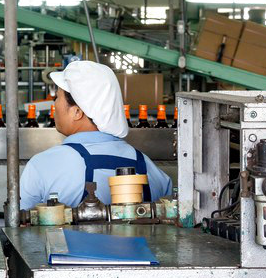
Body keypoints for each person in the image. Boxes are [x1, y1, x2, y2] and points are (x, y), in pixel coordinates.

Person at [20, 60, 172, 210]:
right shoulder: (149, 168)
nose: (54, 104)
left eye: (57, 98)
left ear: (77, 112)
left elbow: (21, 228)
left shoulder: (43, 166)